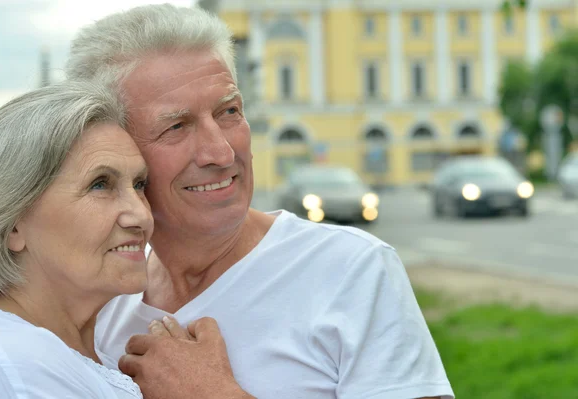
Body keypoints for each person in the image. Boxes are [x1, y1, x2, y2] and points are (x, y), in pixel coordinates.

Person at [67, 4, 455, 399]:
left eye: (229, 111)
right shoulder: (103, 304)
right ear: (113, 148)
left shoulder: (351, 272)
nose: (220, 152)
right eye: (176, 126)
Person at [0, 81, 247, 398]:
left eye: (139, 184)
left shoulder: (60, 359)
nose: (141, 215)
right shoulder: (5, 363)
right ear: (13, 225)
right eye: (99, 185)